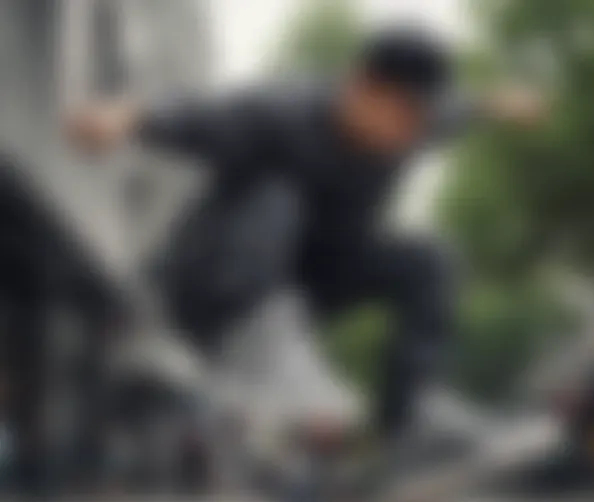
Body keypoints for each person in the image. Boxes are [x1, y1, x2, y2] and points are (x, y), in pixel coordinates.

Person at [66, 27, 546, 477]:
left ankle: (408, 418)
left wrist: (499, 104)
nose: (407, 137)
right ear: (362, 88)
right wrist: (125, 118)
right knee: (281, 192)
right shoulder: (282, 111)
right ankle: (249, 346)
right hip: (216, 283)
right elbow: (197, 117)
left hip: (313, 284)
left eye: (419, 125)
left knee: (429, 258)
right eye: (403, 119)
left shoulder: (416, 122)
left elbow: (458, 111)